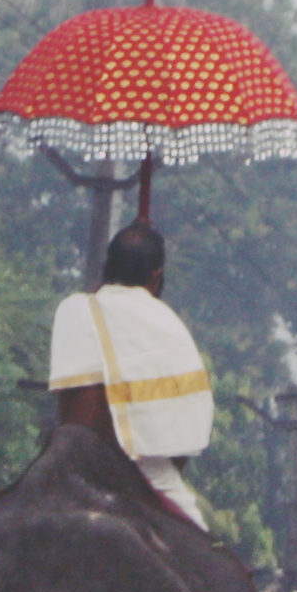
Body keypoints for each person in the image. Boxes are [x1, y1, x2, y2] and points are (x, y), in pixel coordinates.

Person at [47, 222, 216, 523]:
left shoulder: (72, 310)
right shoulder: (167, 323)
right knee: (203, 543)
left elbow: (67, 407)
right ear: (156, 275)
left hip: (70, 462)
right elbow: (184, 434)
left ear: (108, 265)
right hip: (147, 469)